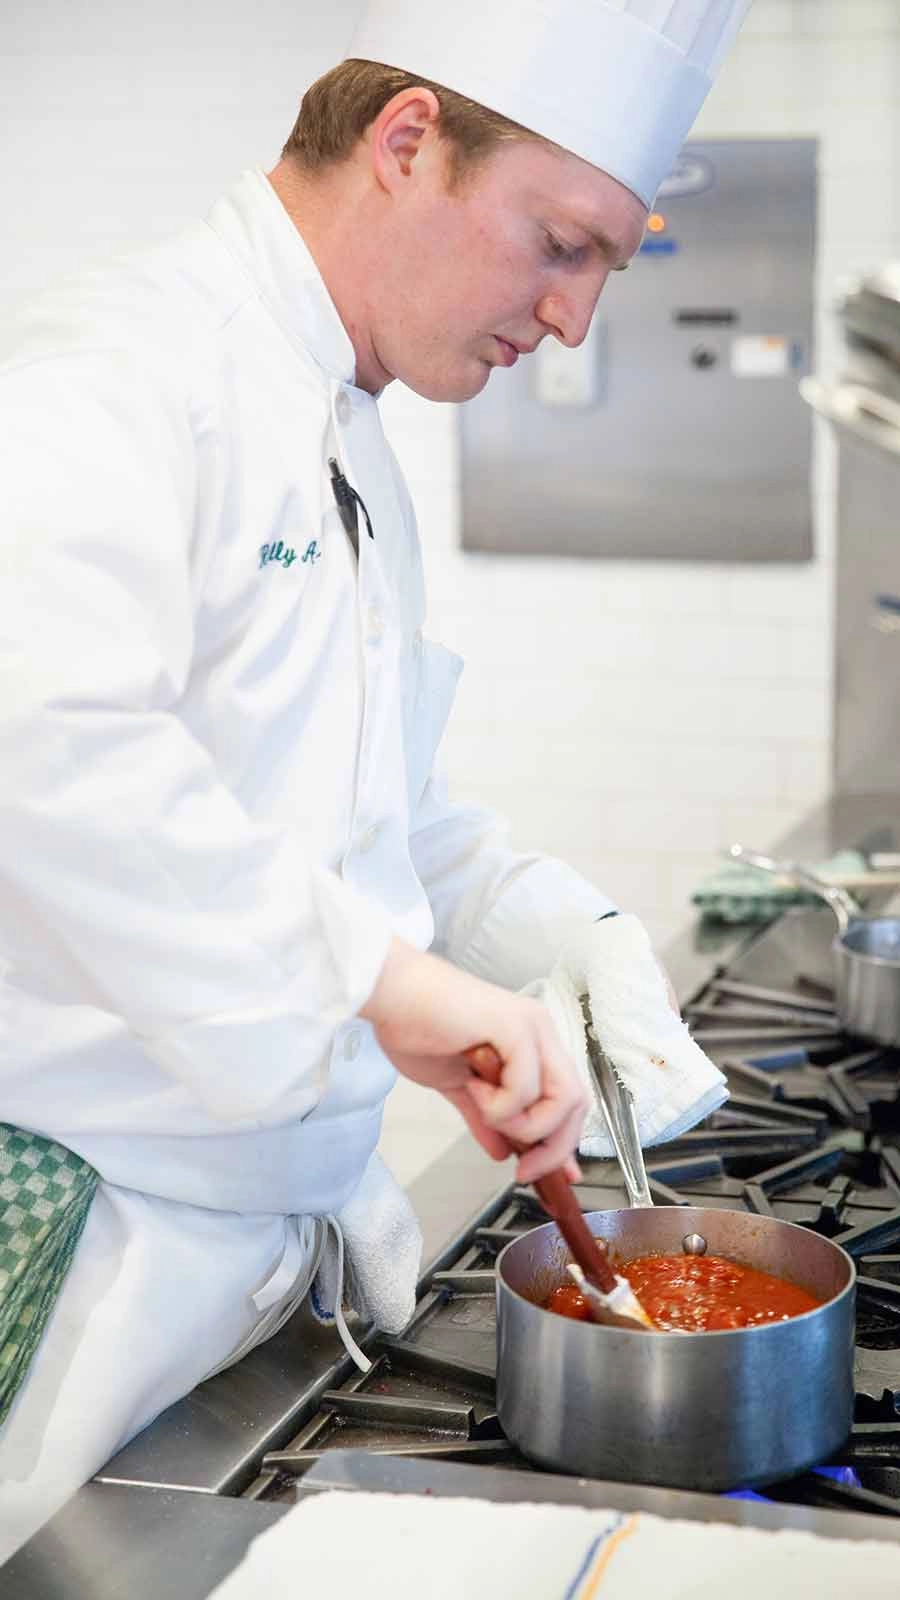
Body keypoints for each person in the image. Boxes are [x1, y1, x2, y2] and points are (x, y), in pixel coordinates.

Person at [0, 0, 750, 1558]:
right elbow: (42, 741)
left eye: (610, 263)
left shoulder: (349, 432)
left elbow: (367, 814)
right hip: (89, 1270)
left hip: (260, 1276)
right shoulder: (117, 372)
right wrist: (383, 983)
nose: (570, 324)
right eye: (561, 243)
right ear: (407, 140)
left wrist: (558, 934)